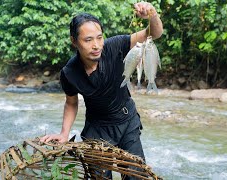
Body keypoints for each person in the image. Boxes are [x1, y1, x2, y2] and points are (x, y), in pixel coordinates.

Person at [40, 1, 163, 179]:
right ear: (74, 41)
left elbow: (154, 33)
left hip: (127, 120)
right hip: (97, 129)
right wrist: (64, 133)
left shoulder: (115, 46)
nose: (96, 45)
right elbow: (71, 103)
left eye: (99, 37)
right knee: (99, 177)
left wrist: (152, 14)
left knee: (135, 175)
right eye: (88, 40)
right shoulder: (69, 73)